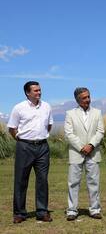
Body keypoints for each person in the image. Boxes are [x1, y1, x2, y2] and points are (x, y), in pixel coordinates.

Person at [7, 81, 54, 223]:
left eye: (39, 90)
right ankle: (20, 213)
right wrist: (22, 141)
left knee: (42, 180)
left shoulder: (46, 106)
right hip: (24, 147)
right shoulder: (19, 108)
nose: (39, 93)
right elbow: (12, 128)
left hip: (42, 147)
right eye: (35, 91)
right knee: (21, 180)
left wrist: (39, 138)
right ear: (28, 93)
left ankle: (42, 211)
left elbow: (49, 125)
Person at [64, 87, 104, 221]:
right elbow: (69, 133)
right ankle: (71, 210)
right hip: (76, 153)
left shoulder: (97, 113)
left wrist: (91, 145)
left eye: (88, 96)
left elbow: (100, 132)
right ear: (77, 100)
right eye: (84, 98)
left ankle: (95, 209)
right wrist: (82, 147)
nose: (88, 100)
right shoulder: (70, 113)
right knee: (73, 183)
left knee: (94, 182)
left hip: (93, 152)